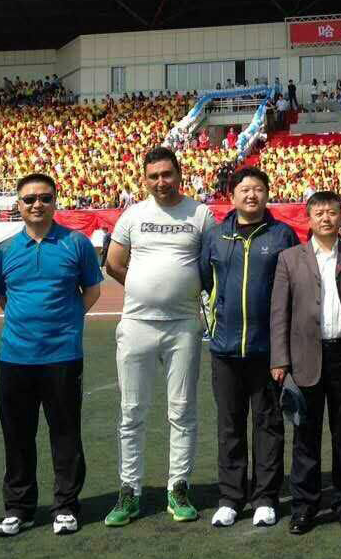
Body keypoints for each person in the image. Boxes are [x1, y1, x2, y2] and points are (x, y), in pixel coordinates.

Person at [104, 147, 214, 528]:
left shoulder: (200, 214)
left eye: (167, 174)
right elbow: (114, 263)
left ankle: (178, 487)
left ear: (179, 174)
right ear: (144, 179)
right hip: (137, 324)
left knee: (182, 410)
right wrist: (144, 287)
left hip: (183, 325)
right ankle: (129, 491)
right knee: (131, 411)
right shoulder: (133, 215)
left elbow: (211, 263)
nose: (161, 182)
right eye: (153, 176)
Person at [0, 173, 104, 538]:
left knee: (65, 434)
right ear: (18, 204)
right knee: (17, 436)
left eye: (44, 198)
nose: (36, 204)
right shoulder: (4, 250)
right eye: (29, 199)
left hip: (62, 357)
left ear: (55, 201)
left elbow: (92, 290)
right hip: (14, 358)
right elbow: (4, 297)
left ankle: (66, 506)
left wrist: (66, 321)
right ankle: (18, 508)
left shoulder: (76, 243)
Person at [198, 167, 299, 528]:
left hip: (267, 350)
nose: (251, 195)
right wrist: (215, 324)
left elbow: (294, 286)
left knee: (268, 423)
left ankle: (266, 497)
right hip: (224, 348)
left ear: (267, 194)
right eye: (245, 189)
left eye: (258, 189)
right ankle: (230, 497)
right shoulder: (215, 236)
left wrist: (284, 346)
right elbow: (204, 282)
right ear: (232, 195)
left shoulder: (282, 235)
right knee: (229, 424)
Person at [271, 191, 341, 535]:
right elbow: (279, 313)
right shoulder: (290, 258)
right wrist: (280, 359)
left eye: (332, 212)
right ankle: (304, 506)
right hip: (305, 356)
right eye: (319, 213)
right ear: (309, 218)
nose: (326, 218)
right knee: (305, 434)